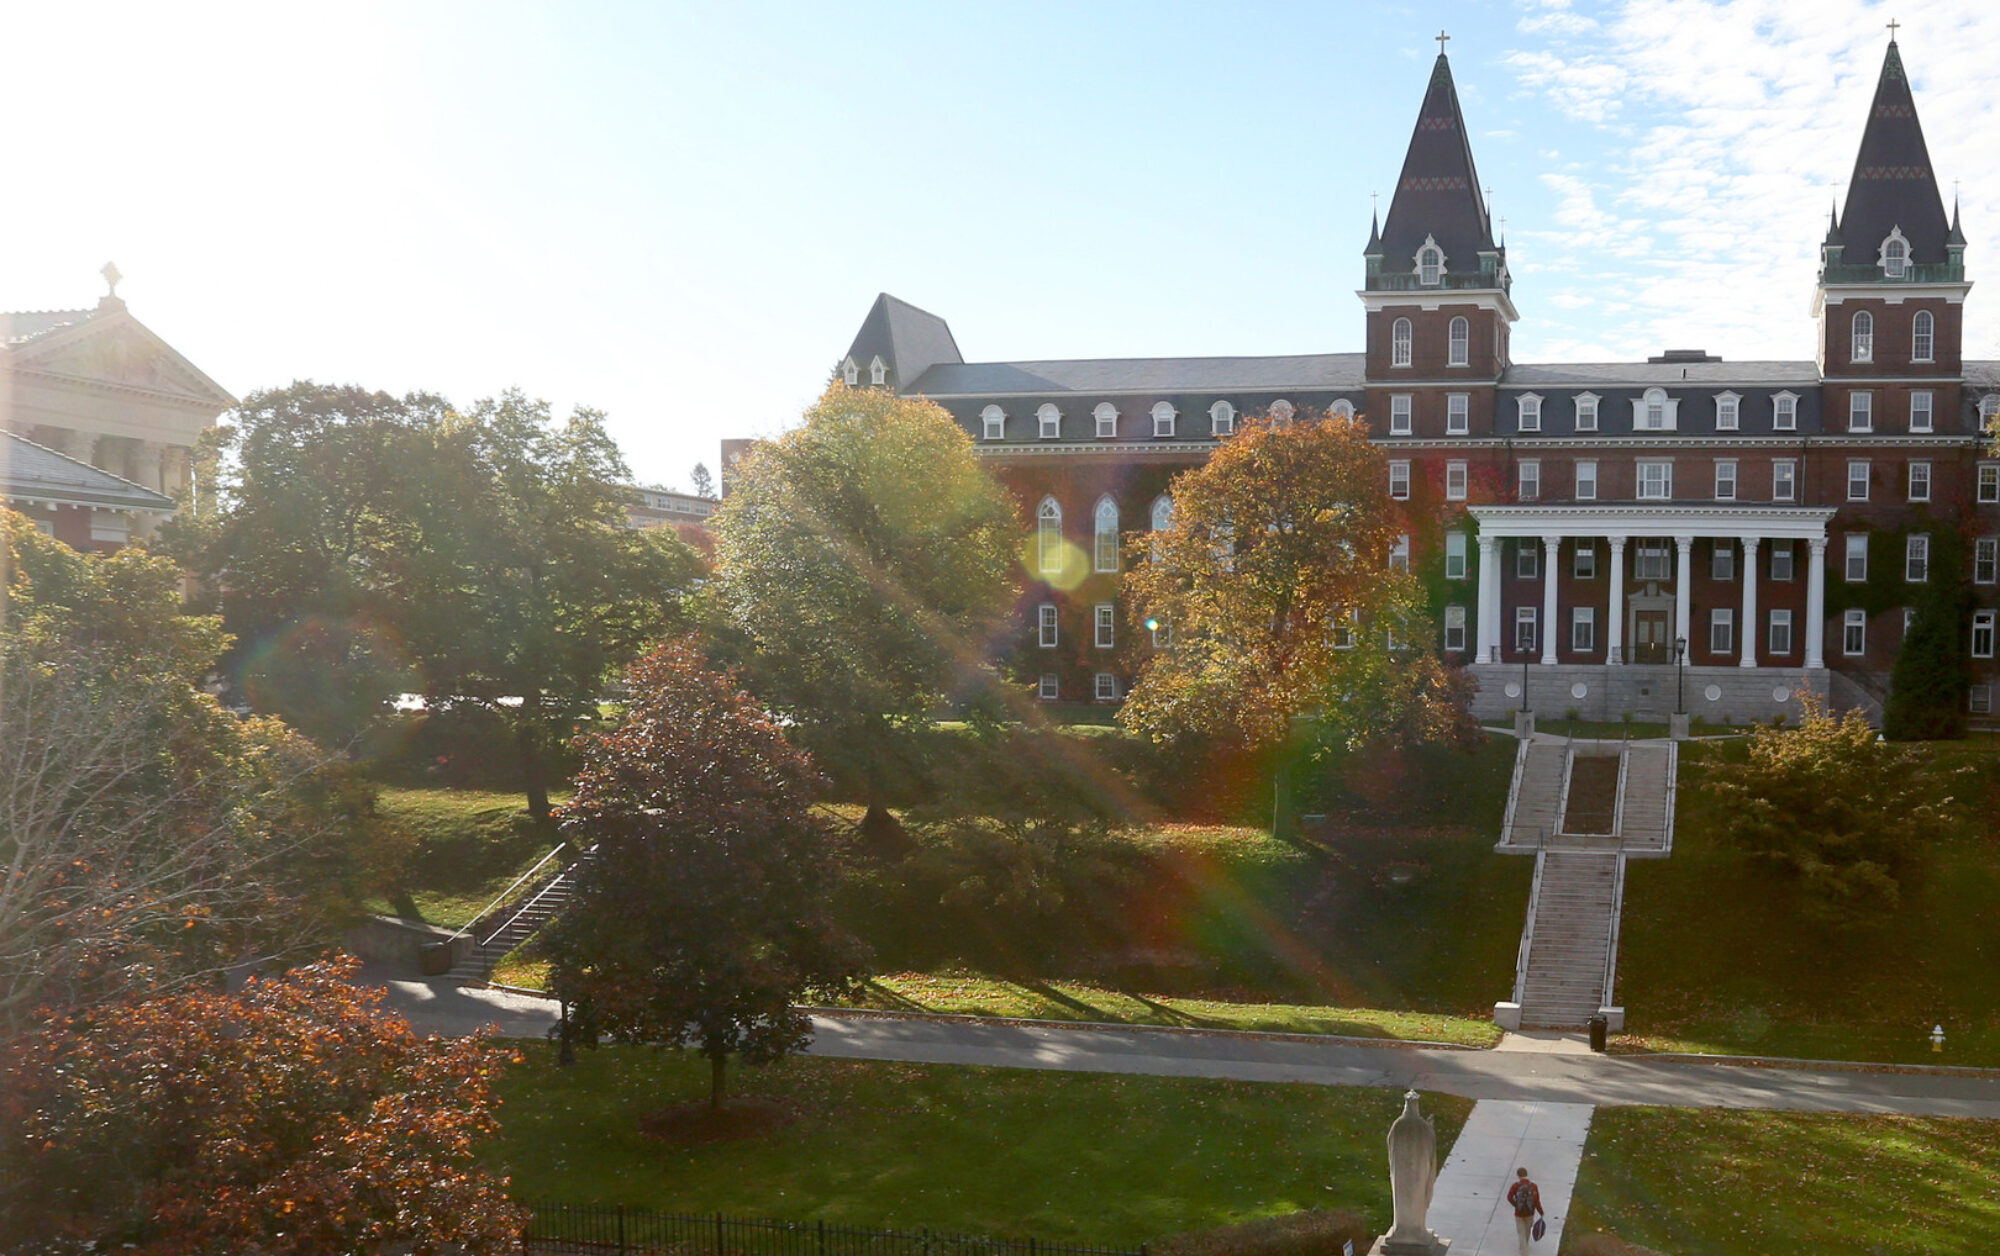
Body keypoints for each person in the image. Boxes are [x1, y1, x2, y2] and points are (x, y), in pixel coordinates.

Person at [1507, 1166, 1544, 1253]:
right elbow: (1536, 1201)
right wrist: (1541, 1212)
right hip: (1530, 1213)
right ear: (1527, 1174)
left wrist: (1516, 1205)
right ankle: (1525, 1246)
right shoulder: (1533, 1186)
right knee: (1527, 1231)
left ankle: (1523, 1251)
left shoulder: (1515, 1186)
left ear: (1518, 1176)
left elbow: (1509, 1197)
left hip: (1519, 1213)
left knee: (1521, 1233)